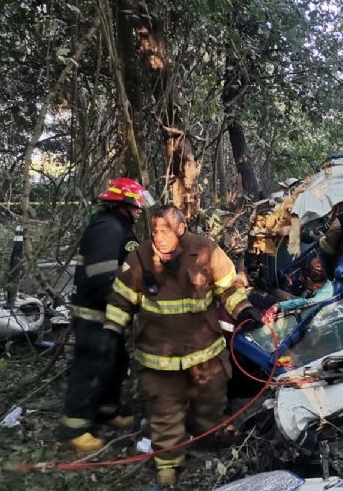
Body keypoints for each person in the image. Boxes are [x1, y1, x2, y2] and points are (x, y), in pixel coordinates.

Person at [103, 204, 262, 488]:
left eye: (165, 230)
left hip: (205, 352)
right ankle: (168, 464)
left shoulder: (206, 251)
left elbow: (229, 288)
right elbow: (121, 298)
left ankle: (204, 441)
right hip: (158, 356)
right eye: (154, 231)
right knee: (164, 409)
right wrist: (112, 328)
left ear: (181, 228)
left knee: (210, 405)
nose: (159, 237)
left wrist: (245, 311)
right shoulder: (140, 257)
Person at [62, 177, 154, 453]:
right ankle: (76, 426)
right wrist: (134, 301)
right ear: (123, 203)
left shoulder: (120, 227)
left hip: (110, 312)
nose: (139, 211)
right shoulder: (106, 228)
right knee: (91, 366)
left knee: (114, 362)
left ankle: (107, 410)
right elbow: (104, 278)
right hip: (95, 314)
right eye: (136, 205)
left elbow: (128, 268)